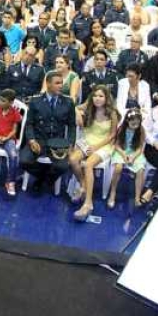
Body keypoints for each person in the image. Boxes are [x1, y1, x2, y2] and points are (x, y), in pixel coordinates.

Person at [18, 72, 77, 196]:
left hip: (58, 144)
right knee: (24, 161)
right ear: (48, 84)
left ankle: (42, 180)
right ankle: (44, 177)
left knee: (63, 166)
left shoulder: (68, 102)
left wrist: (71, 143)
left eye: (62, 83)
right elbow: (29, 124)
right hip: (39, 140)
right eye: (57, 83)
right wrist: (32, 140)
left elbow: (72, 126)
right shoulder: (35, 101)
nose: (60, 86)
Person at [69, 86, 119, 220]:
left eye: (101, 96)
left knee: (88, 165)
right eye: (95, 95)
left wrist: (96, 147)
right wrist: (78, 112)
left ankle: (88, 203)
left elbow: (112, 135)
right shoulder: (88, 107)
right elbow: (72, 106)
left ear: (106, 98)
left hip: (104, 144)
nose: (97, 98)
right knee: (73, 160)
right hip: (87, 140)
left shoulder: (112, 113)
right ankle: (84, 185)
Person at [112, 108, 148, 209]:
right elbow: (117, 145)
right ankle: (113, 192)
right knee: (118, 167)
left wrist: (133, 156)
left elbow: (140, 148)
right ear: (127, 121)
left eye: (137, 124)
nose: (135, 126)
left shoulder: (141, 130)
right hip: (121, 151)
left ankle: (137, 197)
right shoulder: (121, 129)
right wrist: (123, 154)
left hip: (135, 153)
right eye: (132, 124)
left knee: (140, 170)